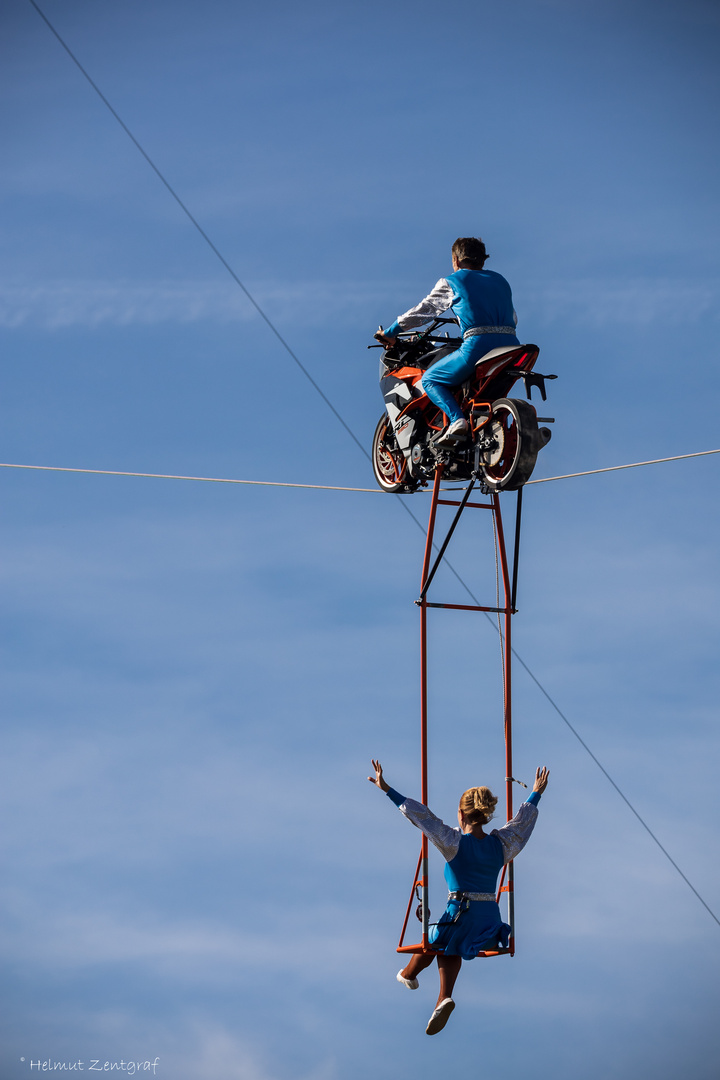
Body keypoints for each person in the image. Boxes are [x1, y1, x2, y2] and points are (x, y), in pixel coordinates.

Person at [368, 758, 549, 1035]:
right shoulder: (500, 844)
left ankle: (429, 986)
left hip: (462, 914)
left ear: (461, 815)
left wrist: (387, 789)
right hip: (490, 922)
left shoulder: (453, 843)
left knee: (438, 939)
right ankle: (411, 977)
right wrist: (535, 793)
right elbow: (521, 825)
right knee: (442, 936)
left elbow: (422, 817)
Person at [374, 237, 520, 445]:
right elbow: (513, 318)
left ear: (456, 259)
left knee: (430, 380)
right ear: (483, 260)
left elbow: (423, 312)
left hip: (477, 346)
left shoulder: (453, 281)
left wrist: (390, 332)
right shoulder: (500, 281)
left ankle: (457, 420)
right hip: (511, 344)